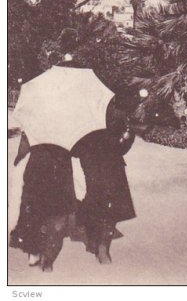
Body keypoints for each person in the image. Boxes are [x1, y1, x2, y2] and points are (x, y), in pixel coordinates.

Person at [71, 101, 136, 264]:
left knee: (111, 202)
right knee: (98, 199)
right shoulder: (79, 116)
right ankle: (96, 241)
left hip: (112, 162)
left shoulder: (117, 115)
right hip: (92, 162)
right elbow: (75, 149)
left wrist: (127, 135)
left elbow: (123, 146)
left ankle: (101, 246)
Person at [10, 132, 78, 272]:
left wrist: (19, 157)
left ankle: (33, 252)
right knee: (57, 213)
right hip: (60, 168)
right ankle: (48, 257)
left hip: (37, 166)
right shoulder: (68, 119)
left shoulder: (35, 115)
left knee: (34, 209)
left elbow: (25, 143)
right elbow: (76, 147)